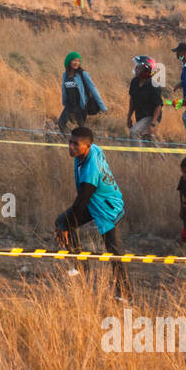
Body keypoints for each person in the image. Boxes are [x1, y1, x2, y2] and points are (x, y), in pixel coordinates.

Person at [54, 126, 128, 294]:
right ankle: (81, 264)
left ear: (87, 146)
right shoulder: (91, 149)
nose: (71, 147)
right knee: (61, 221)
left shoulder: (90, 171)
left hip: (108, 209)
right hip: (95, 201)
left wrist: (66, 226)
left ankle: (125, 293)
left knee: (114, 253)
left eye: (75, 144)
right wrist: (65, 224)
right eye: (70, 142)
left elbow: (80, 204)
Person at [58, 51, 106, 132]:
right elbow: (64, 90)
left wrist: (103, 107)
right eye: (74, 60)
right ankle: (69, 140)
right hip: (69, 105)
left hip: (81, 106)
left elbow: (93, 90)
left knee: (81, 129)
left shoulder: (83, 74)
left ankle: (84, 142)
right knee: (61, 123)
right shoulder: (65, 75)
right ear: (69, 62)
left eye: (78, 61)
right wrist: (64, 102)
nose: (76, 63)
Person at [126, 55, 163, 142]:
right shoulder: (134, 82)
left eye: (139, 68)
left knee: (134, 132)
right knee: (146, 140)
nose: (135, 69)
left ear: (146, 70)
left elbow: (158, 106)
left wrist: (152, 124)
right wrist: (129, 117)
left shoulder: (154, 85)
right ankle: (150, 155)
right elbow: (132, 101)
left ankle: (137, 155)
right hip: (140, 115)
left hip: (151, 116)